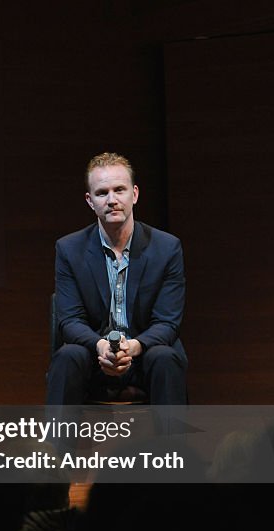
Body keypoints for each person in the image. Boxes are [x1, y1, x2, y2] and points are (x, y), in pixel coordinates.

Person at [47, 152, 187, 405]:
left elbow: (167, 322)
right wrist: (101, 346)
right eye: (102, 193)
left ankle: (173, 446)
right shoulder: (69, 249)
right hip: (93, 356)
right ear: (90, 201)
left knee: (166, 357)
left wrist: (133, 347)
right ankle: (56, 446)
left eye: (119, 190)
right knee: (68, 356)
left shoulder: (167, 248)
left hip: (145, 354)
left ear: (134, 194)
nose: (112, 200)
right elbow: (70, 320)